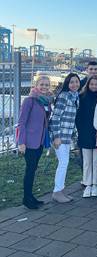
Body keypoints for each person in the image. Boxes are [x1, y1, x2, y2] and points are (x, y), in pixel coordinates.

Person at [17, 75, 53, 209]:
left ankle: (30, 196)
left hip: (40, 141)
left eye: (46, 85)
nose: (44, 87)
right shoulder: (29, 100)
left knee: (33, 169)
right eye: (42, 84)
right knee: (30, 170)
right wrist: (21, 142)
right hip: (29, 141)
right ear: (36, 85)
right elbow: (21, 122)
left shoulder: (46, 101)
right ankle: (27, 199)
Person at [50, 73, 80, 203]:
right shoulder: (63, 96)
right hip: (60, 135)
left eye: (76, 82)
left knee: (64, 163)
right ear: (67, 84)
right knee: (63, 163)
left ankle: (61, 190)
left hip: (67, 136)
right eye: (71, 82)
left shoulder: (75, 97)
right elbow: (55, 118)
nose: (74, 84)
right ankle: (57, 192)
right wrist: (56, 137)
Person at [75, 75, 97, 198]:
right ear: (88, 85)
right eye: (91, 84)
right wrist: (80, 131)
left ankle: (95, 184)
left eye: (96, 84)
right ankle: (87, 184)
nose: (94, 86)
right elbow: (78, 117)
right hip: (85, 133)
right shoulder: (81, 97)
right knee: (87, 161)